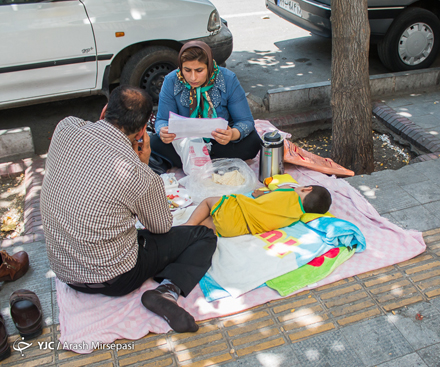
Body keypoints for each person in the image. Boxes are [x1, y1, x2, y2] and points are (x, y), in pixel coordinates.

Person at [40, 85, 217, 333]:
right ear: (143, 131)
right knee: (204, 235)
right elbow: (161, 227)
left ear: (104, 111)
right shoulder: (137, 174)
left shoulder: (65, 128)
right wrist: (143, 164)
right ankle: (167, 291)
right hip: (115, 278)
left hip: (64, 269)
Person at [149, 41, 262, 174]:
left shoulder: (227, 79)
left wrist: (232, 134)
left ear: (209, 67)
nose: (193, 77)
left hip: (220, 143)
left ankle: (198, 163)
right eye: (187, 70)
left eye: (199, 70)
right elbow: (162, 119)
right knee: (154, 142)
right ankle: (215, 163)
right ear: (180, 67)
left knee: (253, 140)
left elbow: (246, 121)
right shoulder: (171, 80)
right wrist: (163, 131)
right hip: (186, 144)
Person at [185, 184, 332, 237]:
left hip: (240, 210)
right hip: (236, 229)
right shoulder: (296, 216)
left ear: (306, 189)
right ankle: (190, 233)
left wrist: (261, 194)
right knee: (211, 223)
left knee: (208, 202)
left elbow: (274, 192)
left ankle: (189, 225)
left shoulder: (289, 191)